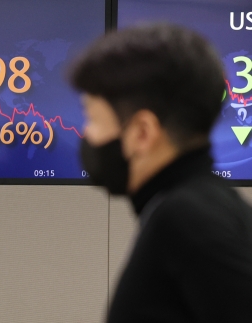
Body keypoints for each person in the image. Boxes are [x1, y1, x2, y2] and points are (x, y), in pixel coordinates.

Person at [70, 24, 252, 322]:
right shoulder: (205, 205)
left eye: (92, 118)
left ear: (142, 133)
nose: (87, 133)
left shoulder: (187, 220)